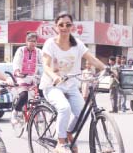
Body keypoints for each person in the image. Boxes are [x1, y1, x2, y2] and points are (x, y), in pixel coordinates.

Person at [39, 12, 105, 153]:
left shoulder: (77, 44)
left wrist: (106, 68)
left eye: (68, 24)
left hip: (71, 85)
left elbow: (91, 59)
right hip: (52, 85)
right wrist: (54, 76)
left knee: (81, 113)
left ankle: (69, 132)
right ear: (56, 27)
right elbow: (46, 65)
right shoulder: (50, 44)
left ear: (72, 27)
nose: (64, 27)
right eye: (61, 25)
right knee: (64, 108)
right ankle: (60, 142)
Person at [11, 32, 43, 124]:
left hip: (34, 77)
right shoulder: (20, 50)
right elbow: (16, 62)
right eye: (30, 41)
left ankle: (38, 112)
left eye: (34, 41)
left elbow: (44, 62)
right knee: (24, 96)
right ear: (26, 41)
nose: (32, 43)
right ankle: (15, 112)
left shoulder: (39, 51)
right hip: (22, 77)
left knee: (39, 94)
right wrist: (17, 72)